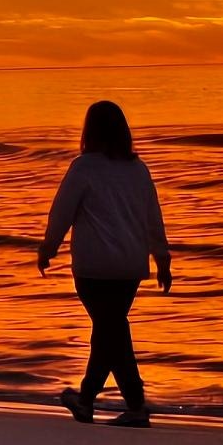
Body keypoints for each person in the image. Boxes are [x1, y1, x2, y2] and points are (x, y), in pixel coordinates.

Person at [37, 98, 174, 425]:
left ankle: (131, 405)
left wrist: (48, 247)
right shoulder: (138, 169)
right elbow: (153, 218)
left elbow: (62, 213)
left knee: (110, 331)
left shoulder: (84, 167)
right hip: (129, 267)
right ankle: (88, 400)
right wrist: (162, 258)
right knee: (110, 330)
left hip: (94, 267)